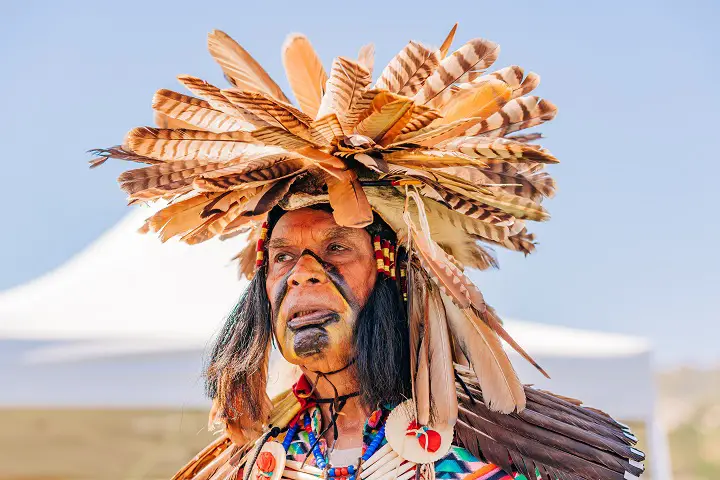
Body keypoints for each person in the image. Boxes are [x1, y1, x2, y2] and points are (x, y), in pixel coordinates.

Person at [93, 24, 646, 480]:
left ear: (393, 274)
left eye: (336, 248)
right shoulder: (252, 465)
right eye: (282, 257)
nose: (304, 275)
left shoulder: (484, 455)